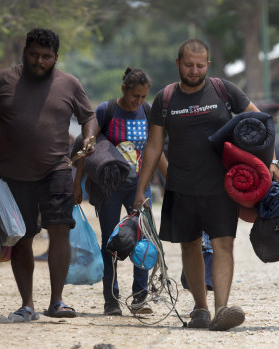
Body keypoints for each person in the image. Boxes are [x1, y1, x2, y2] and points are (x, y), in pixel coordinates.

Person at [132, 39, 279, 331]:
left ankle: (221, 309)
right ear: (178, 63)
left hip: (222, 186)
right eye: (189, 65)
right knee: (190, 246)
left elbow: (260, 122)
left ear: (208, 65)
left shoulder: (224, 90)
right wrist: (140, 189)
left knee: (224, 244)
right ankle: (200, 308)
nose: (194, 70)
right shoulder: (165, 98)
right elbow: (153, 147)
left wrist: (272, 161)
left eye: (200, 65)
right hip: (181, 184)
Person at [0, 28, 98, 322]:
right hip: (13, 175)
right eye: (34, 55)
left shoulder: (69, 83)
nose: (39, 61)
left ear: (56, 57)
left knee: (59, 231)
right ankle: (26, 303)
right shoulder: (4, 80)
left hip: (56, 169)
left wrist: (89, 137)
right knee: (21, 237)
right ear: (24, 51)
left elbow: (88, 117)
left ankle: (57, 301)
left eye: (46, 57)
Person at [73, 67, 168, 316]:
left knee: (143, 241)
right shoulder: (107, 111)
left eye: (143, 97)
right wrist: (77, 184)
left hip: (139, 186)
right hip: (110, 189)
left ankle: (139, 297)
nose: (138, 102)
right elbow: (87, 146)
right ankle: (111, 300)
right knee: (111, 243)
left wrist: (173, 184)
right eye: (135, 96)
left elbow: (155, 151)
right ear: (124, 89)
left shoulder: (147, 113)